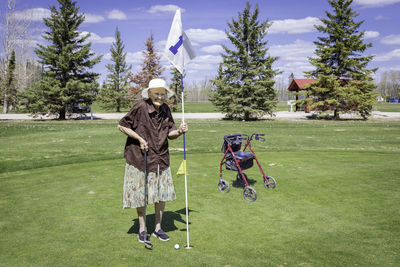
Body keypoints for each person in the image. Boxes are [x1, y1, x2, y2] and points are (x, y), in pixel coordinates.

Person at [118, 78, 188, 244]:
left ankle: (158, 228)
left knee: (161, 194)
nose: (159, 97)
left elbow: (170, 133)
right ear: (149, 93)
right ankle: (142, 229)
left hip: (161, 158)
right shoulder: (141, 107)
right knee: (140, 194)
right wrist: (139, 138)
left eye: (162, 94)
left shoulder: (165, 109)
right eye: (156, 93)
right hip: (139, 158)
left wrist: (179, 131)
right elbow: (121, 125)